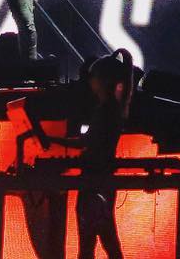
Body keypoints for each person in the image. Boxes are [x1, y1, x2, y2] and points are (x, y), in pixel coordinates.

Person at [46, 49, 134, 259]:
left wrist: (53, 140)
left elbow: (87, 143)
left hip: (94, 182)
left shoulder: (106, 110)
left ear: (102, 81)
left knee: (90, 243)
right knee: (106, 239)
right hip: (101, 181)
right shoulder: (113, 108)